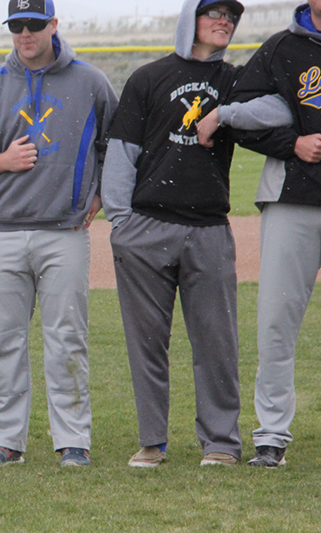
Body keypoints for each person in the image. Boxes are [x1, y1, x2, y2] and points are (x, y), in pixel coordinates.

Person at [103, 0, 291, 468]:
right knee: (146, 343)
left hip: (208, 227)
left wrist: (224, 115)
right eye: (215, 13)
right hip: (145, 227)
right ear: (192, 19)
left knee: (217, 342)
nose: (225, 21)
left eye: (232, 16)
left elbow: (281, 110)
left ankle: (221, 444)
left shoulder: (234, 80)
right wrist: (121, 225)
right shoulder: (148, 77)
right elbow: (122, 153)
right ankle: (152, 441)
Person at [0, 0, 118, 468]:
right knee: (4, 339)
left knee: (67, 338)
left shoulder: (91, 82)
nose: (25, 33)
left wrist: (102, 192)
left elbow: (116, 145)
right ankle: (6, 440)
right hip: (3, 231)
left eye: (34, 24)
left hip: (64, 231)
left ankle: (73, 440)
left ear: (53, 25)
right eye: (17, 25)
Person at [197, 0, 321, 468]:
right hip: (292, 198)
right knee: (275, 324)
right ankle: (271, 436)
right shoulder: (282, 48)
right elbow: (241, 115)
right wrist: (294, 144)